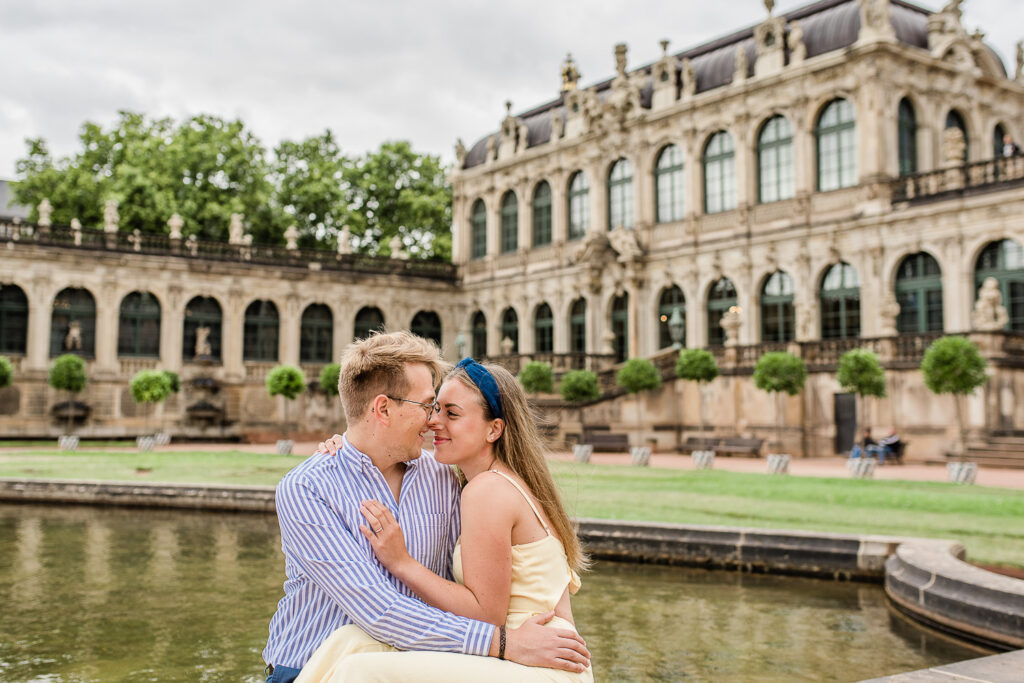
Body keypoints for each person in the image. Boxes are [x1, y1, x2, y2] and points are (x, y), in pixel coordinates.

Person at [263, 333, 589, 682]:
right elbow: (378, 610)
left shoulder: (447, 479)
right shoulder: (308, 488)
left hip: (413, 666)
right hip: (309, 668)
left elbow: (474, 584)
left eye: (444, 410)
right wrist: (504, 643)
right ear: (383, 409)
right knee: (351, 653)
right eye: (428, 406)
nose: (433, 420)